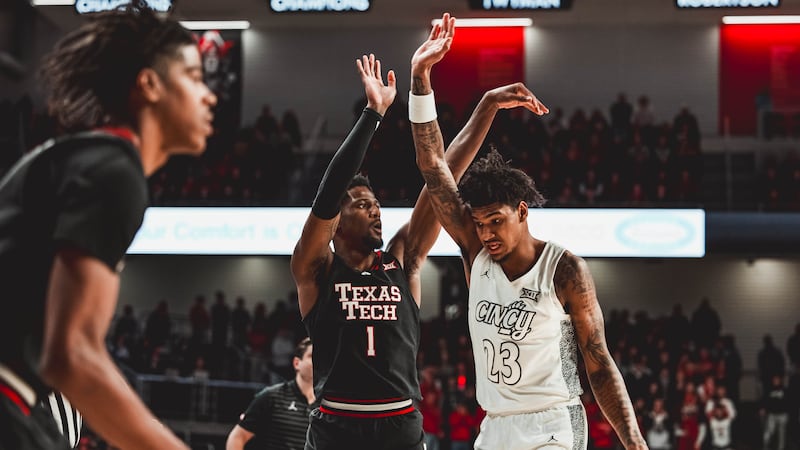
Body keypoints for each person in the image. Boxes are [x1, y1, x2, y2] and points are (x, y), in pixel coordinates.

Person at [408, 12, 647, 450]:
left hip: (553, 422)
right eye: (479, 224)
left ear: (522, 211)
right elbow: (432, 166)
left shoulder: (565, 269)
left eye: (496, 221)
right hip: (495, 425)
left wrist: (633, 440)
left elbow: (597, 360)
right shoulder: (475, 251)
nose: (486, 234)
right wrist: (420, 76)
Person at [0, 5, 216, 450]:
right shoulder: (114, 170)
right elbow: (71, 356)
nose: (209, 95)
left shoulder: (84, 158)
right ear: (149, 84)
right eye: (195, 78)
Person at [291, 22, 481, 449]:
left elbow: (440, 179)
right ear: (337, 223)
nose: (374, 209)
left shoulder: (402, 258)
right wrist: (373, 114)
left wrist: (466, 101)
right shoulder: (317, 268)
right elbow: (327, 196)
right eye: (361, 204)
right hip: (336, 425)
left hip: (399, 424)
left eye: (375, 203)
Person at [225, 337, 314, 450]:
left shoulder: (325, 404)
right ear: (297, 363)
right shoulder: (271, 396)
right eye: (311, 356)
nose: (317, 361)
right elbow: (237, 437)